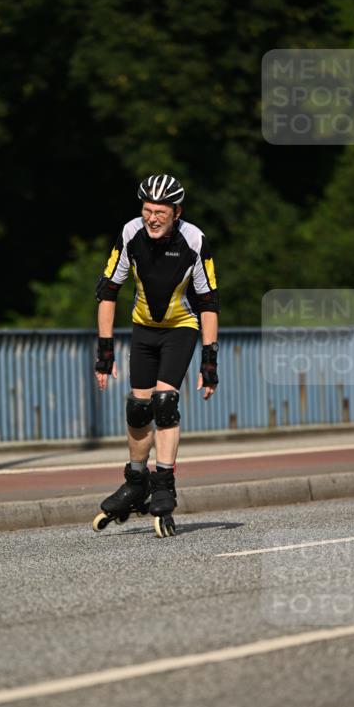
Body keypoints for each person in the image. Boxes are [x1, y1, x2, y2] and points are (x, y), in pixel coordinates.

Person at [93, 174, 220, 536]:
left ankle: (163, 483)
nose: (152, 218)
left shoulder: (194, 240)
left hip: (182, 327)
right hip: (143, 328)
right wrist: (105, 352)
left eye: (160, 211)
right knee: (137, 407)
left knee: (165, 402)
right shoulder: (130, 233)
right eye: (147, 210)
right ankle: (136, 480)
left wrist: (209, 360)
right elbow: (108, 291)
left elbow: (209, 302)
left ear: (176, 212)